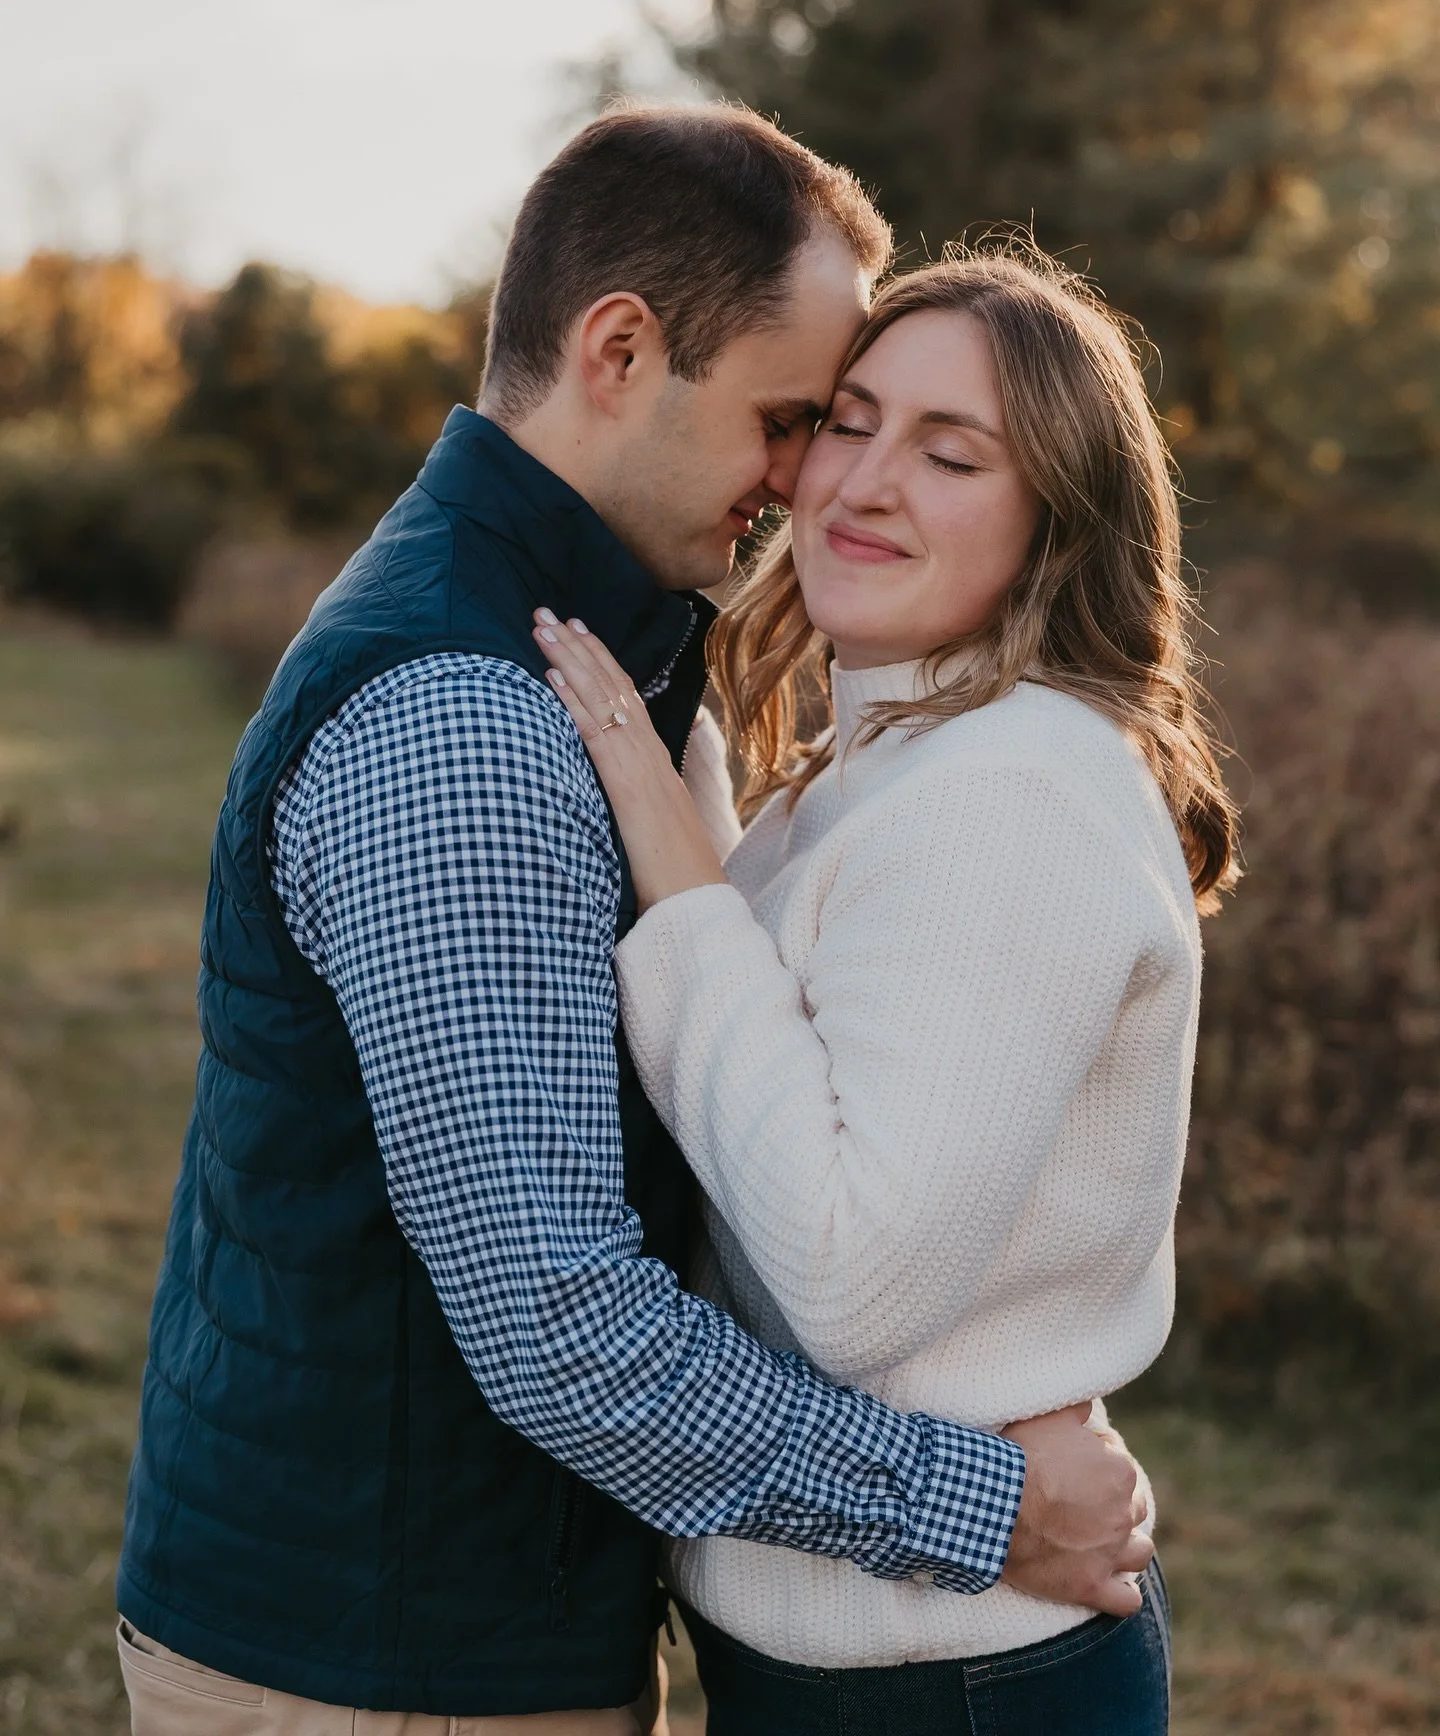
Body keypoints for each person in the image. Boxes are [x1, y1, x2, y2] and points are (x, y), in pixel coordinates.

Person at [116, 112, 1150, 1736]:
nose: (809, 479)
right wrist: (990, 1505)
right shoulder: (470, 724)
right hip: (387, 1665)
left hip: (460, 1631)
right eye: (796, 418)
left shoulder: (597, 652)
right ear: (619, 349)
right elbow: (561, 1328)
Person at [531, 242, 1239, 1736]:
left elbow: (851, 1275)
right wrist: (704, 818)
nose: (862, 483)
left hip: (949, 1676)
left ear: (1056, 518)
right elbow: (784, 1058)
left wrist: (679, 880)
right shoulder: (880, 766)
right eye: (847, 421)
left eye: (951, 450)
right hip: (851, 1645)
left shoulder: (1013, 792)